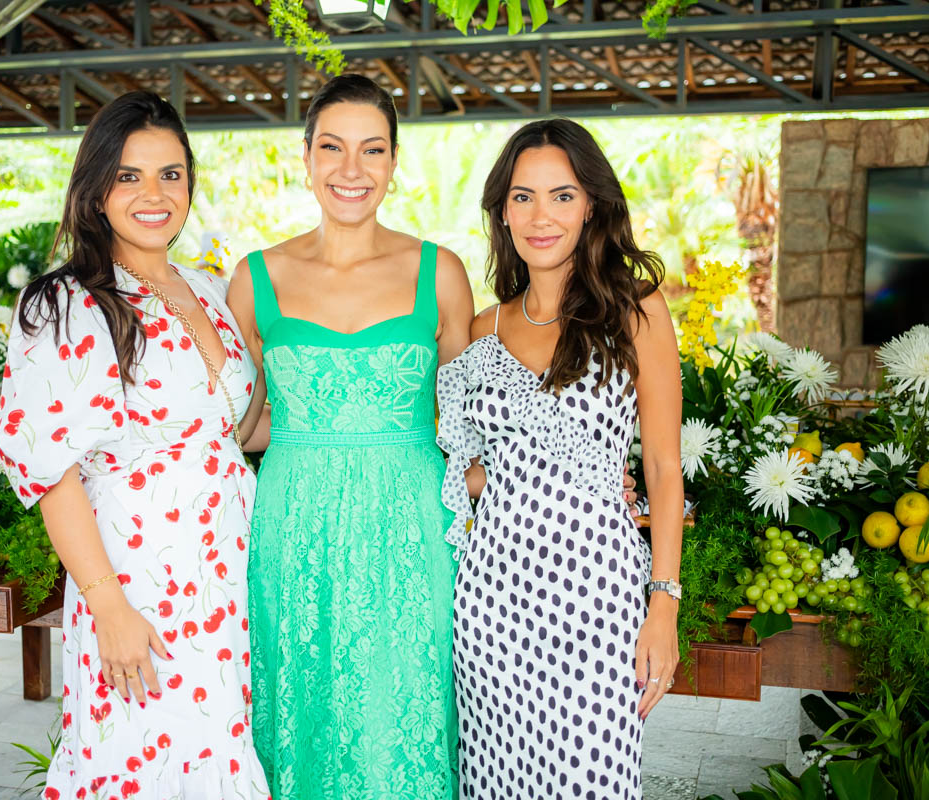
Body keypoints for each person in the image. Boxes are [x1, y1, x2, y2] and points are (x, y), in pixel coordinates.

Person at [0, 91, 269, 800]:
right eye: (129, 175)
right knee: (137, 760)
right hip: (138, 580)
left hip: (230, 572)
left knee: (219, 748)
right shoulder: (64, 304)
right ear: (96, 190)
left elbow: (233, 431)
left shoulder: (206, 289)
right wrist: (106, 605)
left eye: (170, 174)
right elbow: (50, 472)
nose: (154, 194)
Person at [225, 74, 475, 800]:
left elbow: (469, 430)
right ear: (305, 159)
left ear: (394, 162)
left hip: (411, 531)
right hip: (293, 528)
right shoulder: (254, 278)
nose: (351, 169)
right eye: (332, 148)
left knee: (405, 717)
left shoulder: (441, 273)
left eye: (372, 150)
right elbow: (243, 422)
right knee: (299, 707)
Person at [436, 118, 684, 800]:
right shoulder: (483, 329)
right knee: (495, 781)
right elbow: (468, 464)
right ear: (502, 211)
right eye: (523, 197)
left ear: (593, 206)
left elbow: (664, 467)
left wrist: (662, 606)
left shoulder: (636, 310)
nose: (541, 215)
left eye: (562, 195)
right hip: (491, 599)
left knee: (591, 782)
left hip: (594, 597)